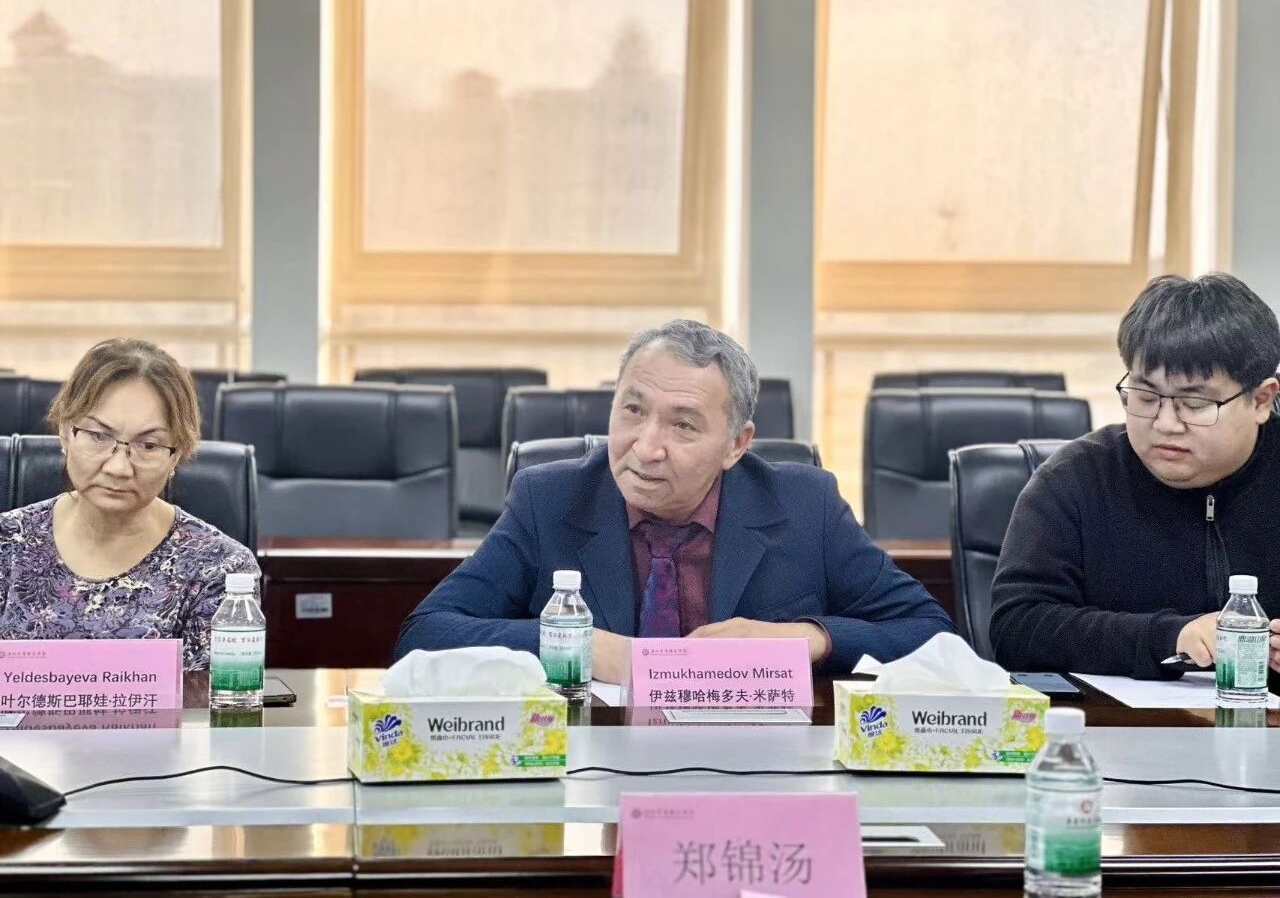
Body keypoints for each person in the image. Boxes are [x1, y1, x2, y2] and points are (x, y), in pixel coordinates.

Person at [395, 319, 953, 682]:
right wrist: (588, 647)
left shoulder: (805, 504)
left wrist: (801, 640)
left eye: (683, 425)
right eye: (633, 410)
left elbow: (931, 633)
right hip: (595, 771)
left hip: (760, 774)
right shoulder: (550, 500)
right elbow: (425, 635)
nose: (646, 447)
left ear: (736, 445)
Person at [989, 273, 1280, 679]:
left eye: (1194, 403)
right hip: (1115, 718)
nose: (1165, 423)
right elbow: (1016, 628)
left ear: (1261, 400)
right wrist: (1170, 637)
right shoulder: (1074, 481)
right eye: (1145, 397)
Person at [0, 339, 258, 670]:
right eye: (99, 436)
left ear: (176, 455)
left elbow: (215, 698)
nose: (119, 468)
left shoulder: (220, 569)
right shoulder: (7, 542)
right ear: (65, 432)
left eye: (148, 445)